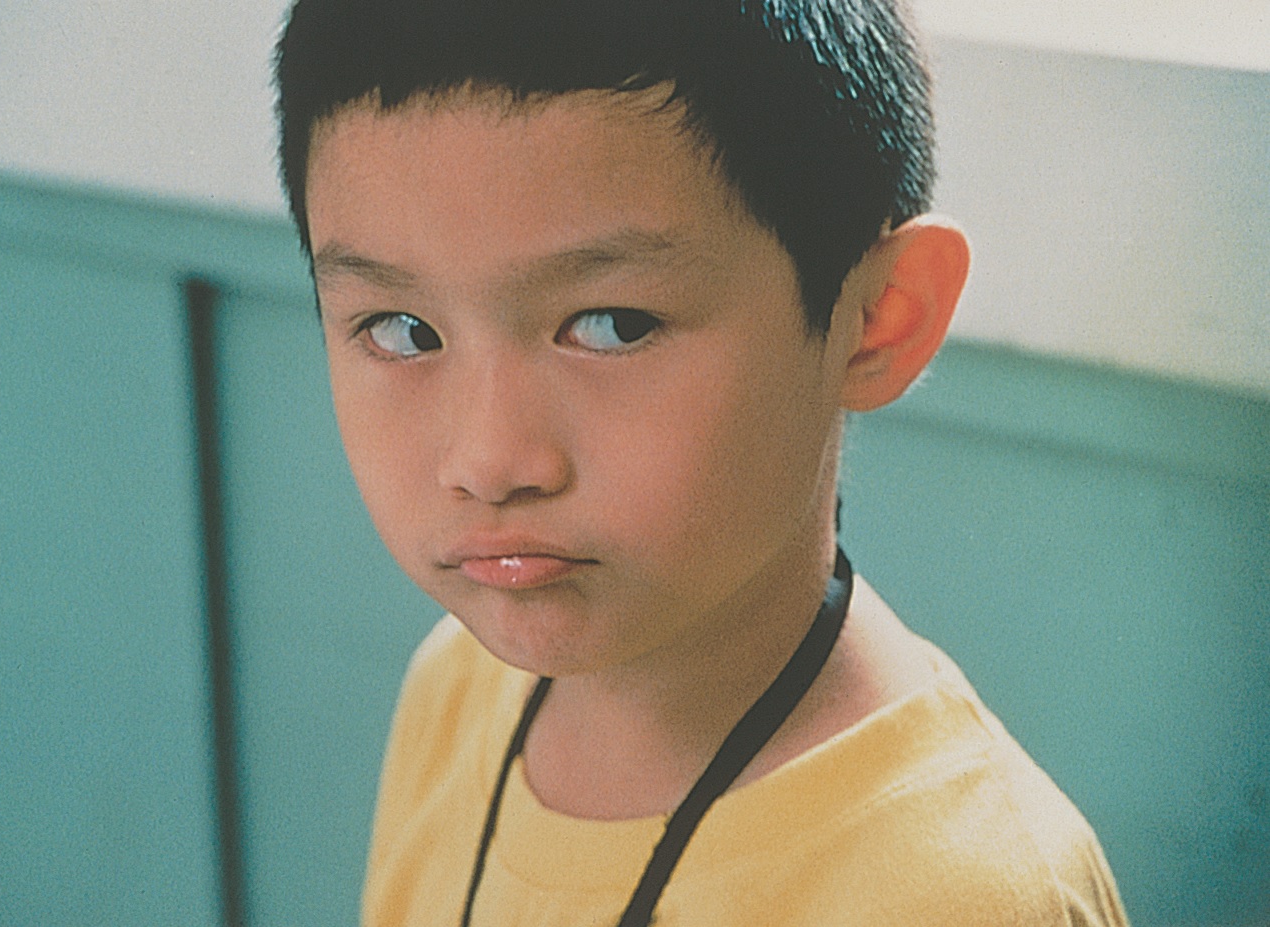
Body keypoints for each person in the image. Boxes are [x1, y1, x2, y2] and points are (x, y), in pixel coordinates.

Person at [273, 1, 1130, 924]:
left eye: (611, 325)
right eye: (402, 330)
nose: (487, 462)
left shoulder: (962, 896)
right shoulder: (459, 689)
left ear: (877, 316)